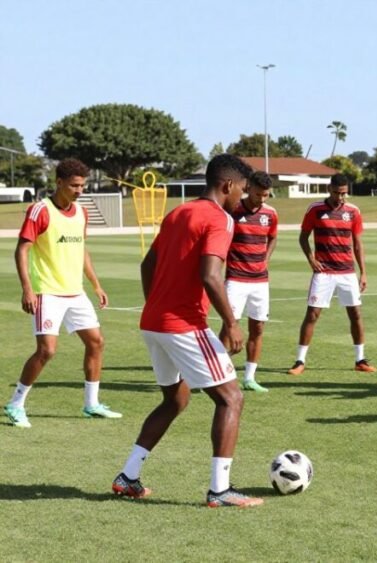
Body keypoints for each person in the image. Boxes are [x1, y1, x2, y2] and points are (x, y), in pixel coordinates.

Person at [112, 154, 262, 508]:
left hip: (154, 323)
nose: (242, 196)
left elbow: (147, 264)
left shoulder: (178, 213)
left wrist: (157, 304)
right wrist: (231, 321)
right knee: (231, 398)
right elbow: (211, 275)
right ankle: (220, 491)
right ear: (228, 185)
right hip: (183, 325)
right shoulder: (220, 219)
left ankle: (128, 477)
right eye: (242, 189)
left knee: (176, 399)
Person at [5, 158, 120, 429]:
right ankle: (16, 403)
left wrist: (96, 285)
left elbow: (81, 250)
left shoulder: (81, 213)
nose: (80, 190)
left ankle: (91, 404)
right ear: (58, 183)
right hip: (48, 293)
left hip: (75, 292)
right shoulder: (40, 211)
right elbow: (22, 250)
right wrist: (28, 289)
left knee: (96, 342)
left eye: (83, 186)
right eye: (74, 186)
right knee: (47, 351)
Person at [287, 174, 375, 375]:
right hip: (324, 272)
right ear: (330, 189)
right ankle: (300, 361)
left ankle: (360, 359)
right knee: (312, 314)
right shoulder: (315, 209)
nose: (341, 197)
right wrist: (311, 259)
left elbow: (358, 244)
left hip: (347, 272)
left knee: (355, 314)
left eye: (344, 193)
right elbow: (303, 237)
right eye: (337, 192)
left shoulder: (353, 211)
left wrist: (363, 273)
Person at [223, 171, 278, 392]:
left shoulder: (271, 214)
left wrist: (266, 258)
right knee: (229, 327)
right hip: (235, 279)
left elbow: (273, 237)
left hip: (260, 281)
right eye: (258, 194)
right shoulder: (233, 210)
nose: (261, 199)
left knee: (258, 327)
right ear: (248, 189)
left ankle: (249, 377)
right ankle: (218, 373)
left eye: (266, 195)